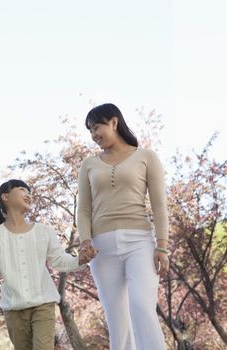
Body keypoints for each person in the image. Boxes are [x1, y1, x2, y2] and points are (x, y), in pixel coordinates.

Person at [77, 103, 170, 349]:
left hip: (139, 241)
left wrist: (162, 247)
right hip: (101, 248)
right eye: (90, 131)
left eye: (96, 127)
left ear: (114, 122)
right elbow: (84, 209)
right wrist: (85, 242)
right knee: (117, 320)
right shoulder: (88, 164)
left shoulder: (146, 157)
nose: (94, 135)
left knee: (141, 305)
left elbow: (159, 205)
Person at [0, 179, 95, 350]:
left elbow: (59, 260)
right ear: (5, 196)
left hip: (43, 304)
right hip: (14, 310)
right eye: (22, 190)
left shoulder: (44, 231)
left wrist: (80, 260)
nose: (28, 195)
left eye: (29, 192)